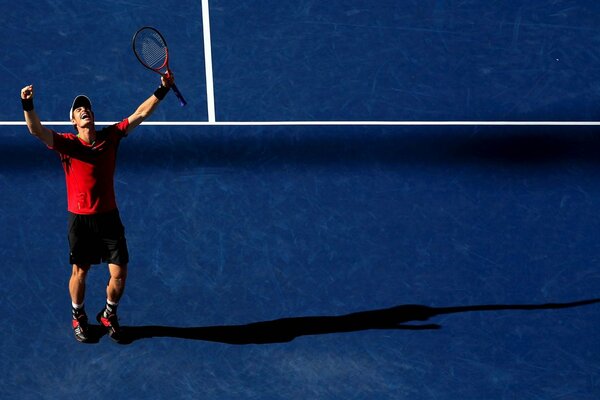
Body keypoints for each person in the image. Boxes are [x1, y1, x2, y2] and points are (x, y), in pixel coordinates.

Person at [20, 73, 175, 343]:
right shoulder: (66, 144)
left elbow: (139, 114)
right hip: (80, 220)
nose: (84, 111)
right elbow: (36, 130)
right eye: (78, 110)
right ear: (74, 121)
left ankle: (108, 313)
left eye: (87, 108)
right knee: (80, 271)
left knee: (119, 273)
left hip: (109, 218)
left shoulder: (111, 136)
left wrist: (161, 90)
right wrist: (28, 104)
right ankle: (78, 314)